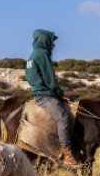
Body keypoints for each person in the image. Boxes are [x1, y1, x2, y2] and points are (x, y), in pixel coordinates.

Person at [25, 29, 83, 168]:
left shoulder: (33, 54)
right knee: (63, 117)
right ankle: (67, 154)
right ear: (45, 40)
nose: (54, 45)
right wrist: (60, 93)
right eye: (52, 41)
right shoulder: (43, 54)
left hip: (39, 93)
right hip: (45, 95)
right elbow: (50, 80)